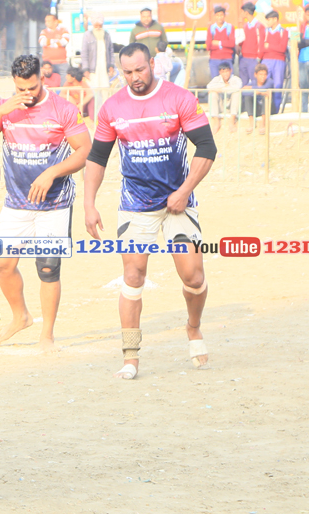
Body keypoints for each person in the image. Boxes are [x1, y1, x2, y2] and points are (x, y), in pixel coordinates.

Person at [83, 43, 217, 380]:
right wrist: (88, 203)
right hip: (136, 204)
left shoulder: (179, 99)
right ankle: (130, 357)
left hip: (178, 202)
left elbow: (207, 146)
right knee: (133, 276)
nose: (134, 77)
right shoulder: (113, 107)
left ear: (153, 64)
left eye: (140, 70)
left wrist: (184, 191)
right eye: (127, 72)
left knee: (193, 276)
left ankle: (193, 327)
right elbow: (97, 157)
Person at [0, 54, 90, 350]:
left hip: (54, 204)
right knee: (3, 264)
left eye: (32, 87)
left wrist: (52, 173)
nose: (27, 94)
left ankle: (47, 335)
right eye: (21, 88)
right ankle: (20, 316)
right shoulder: (4, 109)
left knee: (47, 268)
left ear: (43, 79)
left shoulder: (63, 109)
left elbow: (84, 151)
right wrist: (0, 112)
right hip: (16, 203)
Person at [80, 15, 113, 113]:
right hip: (92, 69)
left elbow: (110, 51)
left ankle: (105, 113)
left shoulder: (106, 35)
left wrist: (111, 66)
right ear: (93, 25)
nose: (98, 27)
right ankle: (95, 115)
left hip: (104, 69)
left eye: (100, 25)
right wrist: (86, 69)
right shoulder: (87, 35)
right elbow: (84, 53)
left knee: (105, 91)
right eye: (96, 25)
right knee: (94, 92)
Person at [260, 10, 289, 114]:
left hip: (279, 61)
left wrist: (269, 46)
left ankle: (276, 111)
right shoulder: (265, 32)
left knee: (278, 85)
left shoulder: (283, 32)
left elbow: (282, 48)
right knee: (264, 84)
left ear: (275, 19)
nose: (267, 22)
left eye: (269, 20)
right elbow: (262, 47)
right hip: (266, 61)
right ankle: (264, 110)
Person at [206, 61, 241, 133]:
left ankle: (232, 120)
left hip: (231, 104)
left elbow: (237, 87)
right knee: (212, 94)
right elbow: (209, 87)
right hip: (221, 104)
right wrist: (225, 86)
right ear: (220, 72)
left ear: (231, 70)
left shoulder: (236, 79)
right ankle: (216, 122)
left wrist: (220, 89)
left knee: (236, 93)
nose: (225, 74)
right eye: (223, 72)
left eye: (227, 71)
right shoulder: (216, 79)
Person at [242, 63, 275, 134]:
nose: (263, 76)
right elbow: (243, 92)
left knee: (266, 96)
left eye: (265, 74)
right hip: (256, 108)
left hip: (267, 108)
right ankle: (251, 121)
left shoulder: (269, 81)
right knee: (248, 97)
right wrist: (259, 92)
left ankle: (263, 122)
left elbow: (265, 88)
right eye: (260, 74)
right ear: (255, 74)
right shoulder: (252, 83)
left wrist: (253, 89)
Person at [38, 13, 72, 80]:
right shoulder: (43, 32)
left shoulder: (63, 30)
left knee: (65, 81)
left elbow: (65, 41)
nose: (46, 23)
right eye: (46, 21)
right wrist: (56, 41)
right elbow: (42, 42)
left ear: (56, 21)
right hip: (48, 64)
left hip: (62, 62)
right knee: (48, 83)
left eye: (49, 21)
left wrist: (49, 42)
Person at [236, 2, 261, 86]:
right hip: (243, 58)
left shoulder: (258, 26)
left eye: (242, 12)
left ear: (246, 13)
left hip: (253, 58)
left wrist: (259, 58)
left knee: (254, 82)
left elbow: (260, 42)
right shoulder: (245, 26)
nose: (241, 14)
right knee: (243, 82)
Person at [207, 6, 235, 80]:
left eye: (221, 15)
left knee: (229, 81)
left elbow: (232, 44)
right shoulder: (211, 28)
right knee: (216, 81)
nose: (219, 17)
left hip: (227, 58)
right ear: (215, 16)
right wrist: (225, 44)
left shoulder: (230, 27)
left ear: (224, 15)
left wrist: (218, 43)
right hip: (214, 59)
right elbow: (208, 46)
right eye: (217, 15)